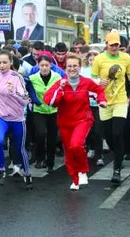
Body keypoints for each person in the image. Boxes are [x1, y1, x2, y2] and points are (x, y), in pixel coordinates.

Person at [45, 54, 106, 190]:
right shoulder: (60, 83)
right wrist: (60, 89)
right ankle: (75, 179)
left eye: (75, 66)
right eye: (69, 66)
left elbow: (98, 91)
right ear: (65, 68)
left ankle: (83, 171)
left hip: (83, 119)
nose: (72, 69)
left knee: (76, 145)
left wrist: (101, 101)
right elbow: (50, 101)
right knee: (70, 152)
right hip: (65, 122)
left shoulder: (86, 82)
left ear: (80, 67)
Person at [0, 50, 33, 189]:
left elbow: (25, 100)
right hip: (0, 116)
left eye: (5, 62)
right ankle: (2, 169)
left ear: (11, 62)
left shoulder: (17, 77)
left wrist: (13, 92)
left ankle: (27, 172)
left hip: (17, 118)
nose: (1, 65)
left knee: (20, 148)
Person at [91, 31, 130, 184]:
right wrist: (99, 82)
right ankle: (118, 153)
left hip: (120, 101)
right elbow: (93, 79)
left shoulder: (126, 58)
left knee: (117, 133)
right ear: (106, 44)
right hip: (104, 101)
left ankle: (117, 169)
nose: (114, 47)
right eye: (111, 45)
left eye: (117, 45)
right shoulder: (99, 59)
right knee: (108, 135)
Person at [29, 55, 60, 172]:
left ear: (51, 65)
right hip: (39, 110)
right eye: (42, 65)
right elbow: (27, 90)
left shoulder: (57, 77)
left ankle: (50, 161)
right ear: (38, 66)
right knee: (41, 134)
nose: (44, 68)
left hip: (53, 110)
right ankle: (40, 157)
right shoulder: (32, 78)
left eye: (46, 65)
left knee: (52, 137)